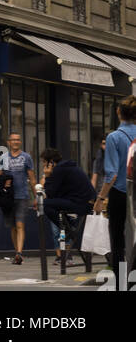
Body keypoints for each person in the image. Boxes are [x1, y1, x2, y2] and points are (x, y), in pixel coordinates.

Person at [93, 94, 136, 288]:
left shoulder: (114, 137)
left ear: (118, 112)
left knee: (117, 239)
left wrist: (100, 197)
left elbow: (111, 174)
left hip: (120, 193)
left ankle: (121, 283)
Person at [39, 148, 95, 268]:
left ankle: (68, 227)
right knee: (49, 205)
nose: (43, 165)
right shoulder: (66, 168)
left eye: (44, 162)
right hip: (83, 202)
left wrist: (48, 176)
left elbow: (51, 193)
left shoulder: (59, 170)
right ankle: (69, 226)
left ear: (51, 162)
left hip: (81, 205)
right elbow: (59, 192)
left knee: (46, 204)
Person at [0, 132, 37, 265]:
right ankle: (17, 253)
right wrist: (4, 184)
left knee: (20, 224)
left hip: (22, 196)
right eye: (13, 140)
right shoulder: (3, 158)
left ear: (20, 142)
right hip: (8, 198)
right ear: (8, 142)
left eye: (18, 140)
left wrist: (36, 197)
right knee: (13, 227)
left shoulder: (26, 157)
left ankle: (20, 253)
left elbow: (32, 179)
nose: (15, 142)